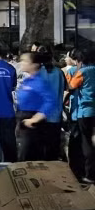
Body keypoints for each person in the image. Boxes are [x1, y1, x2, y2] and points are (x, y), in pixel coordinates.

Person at [16, 52, 57, 162]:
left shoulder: (40, 82)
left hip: (33, 123)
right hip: (23, 119)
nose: (22, 63)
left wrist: (35, 119)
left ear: (34, 65)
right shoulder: (27, 80)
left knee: (28, 157)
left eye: (25, 61)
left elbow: (51, 101)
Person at [68, 49, 95, 182]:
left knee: (85, 142)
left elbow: (71, 86)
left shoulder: (82, 72)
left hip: (84, 111)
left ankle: (88, 173)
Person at [37, 45, 65, 160]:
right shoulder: (59, 72)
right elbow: (62, 90)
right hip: (55, 114)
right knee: (53, 147)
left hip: (40, 115)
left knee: (41, 148)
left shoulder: (37, 72)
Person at [65, 50, 84, 179]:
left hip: (76, 111)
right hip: (86, 111)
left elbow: (68, 89)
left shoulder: (72, 72)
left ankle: (75, 169)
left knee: (75, 140)